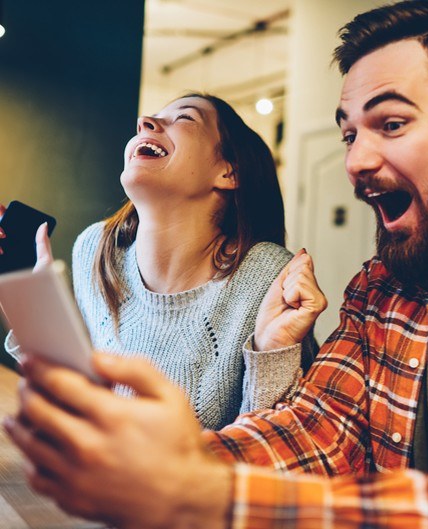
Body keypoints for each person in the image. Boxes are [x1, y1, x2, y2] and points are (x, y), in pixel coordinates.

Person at [4, 2, 428, 528]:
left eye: (390, 124)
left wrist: (194, 489)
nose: (357, 161)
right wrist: (168, 457)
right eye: (347, 133)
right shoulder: (379, 288)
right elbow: (314, 425)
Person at [1, 93, 320, 431]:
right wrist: (31, 307)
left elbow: (274, 444)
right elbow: (76, 407)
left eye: (184, 118)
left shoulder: (269, 276)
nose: (145, 123)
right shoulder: (95, 250)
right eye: (150, 118)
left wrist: (273, 356)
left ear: (229, 172)